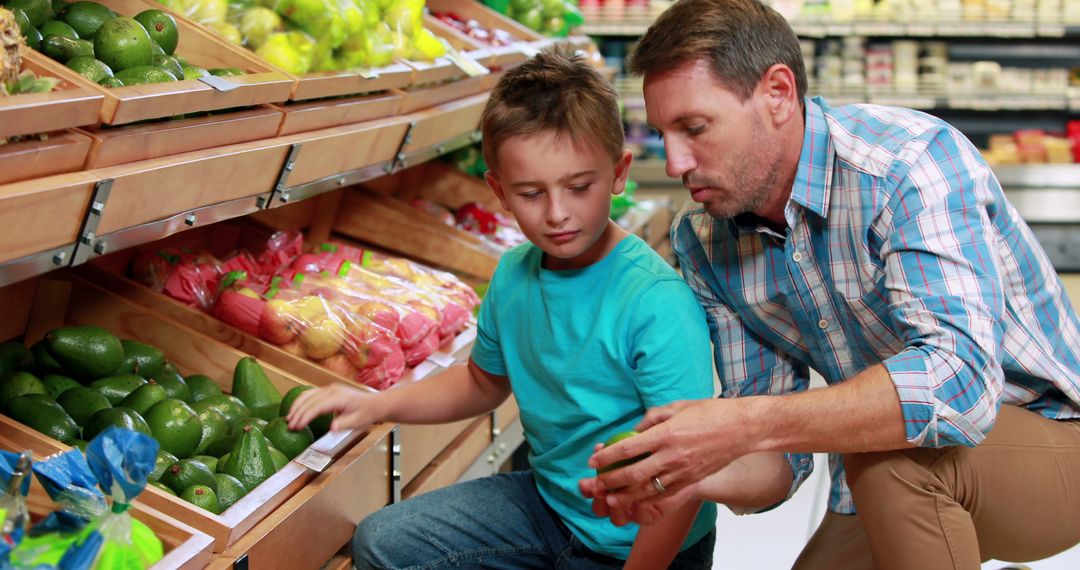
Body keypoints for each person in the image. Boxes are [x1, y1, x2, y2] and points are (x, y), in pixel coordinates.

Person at [579, 0, 1080, 568]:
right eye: (661, 133)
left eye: (694, 128)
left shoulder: (905, 164)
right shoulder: (705, 242)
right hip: (887, 475)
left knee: (892, 464)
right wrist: (689, 469)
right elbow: (780, 465)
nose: (673, 162)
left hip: (1054, 439)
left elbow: (956, 388)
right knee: (881, 476)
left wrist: (743, 424)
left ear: (777, 93)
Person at [286, 46, 718, 569]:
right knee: (382, 543)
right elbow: (481, 383)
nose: (558, 214)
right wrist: (377, 405)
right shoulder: (514, 275)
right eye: (531, 193)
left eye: (579, 187)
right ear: (499, 191)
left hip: (646, 544)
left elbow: (684, 471)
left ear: (619, 173)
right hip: (551, 507)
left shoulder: (655, 302)